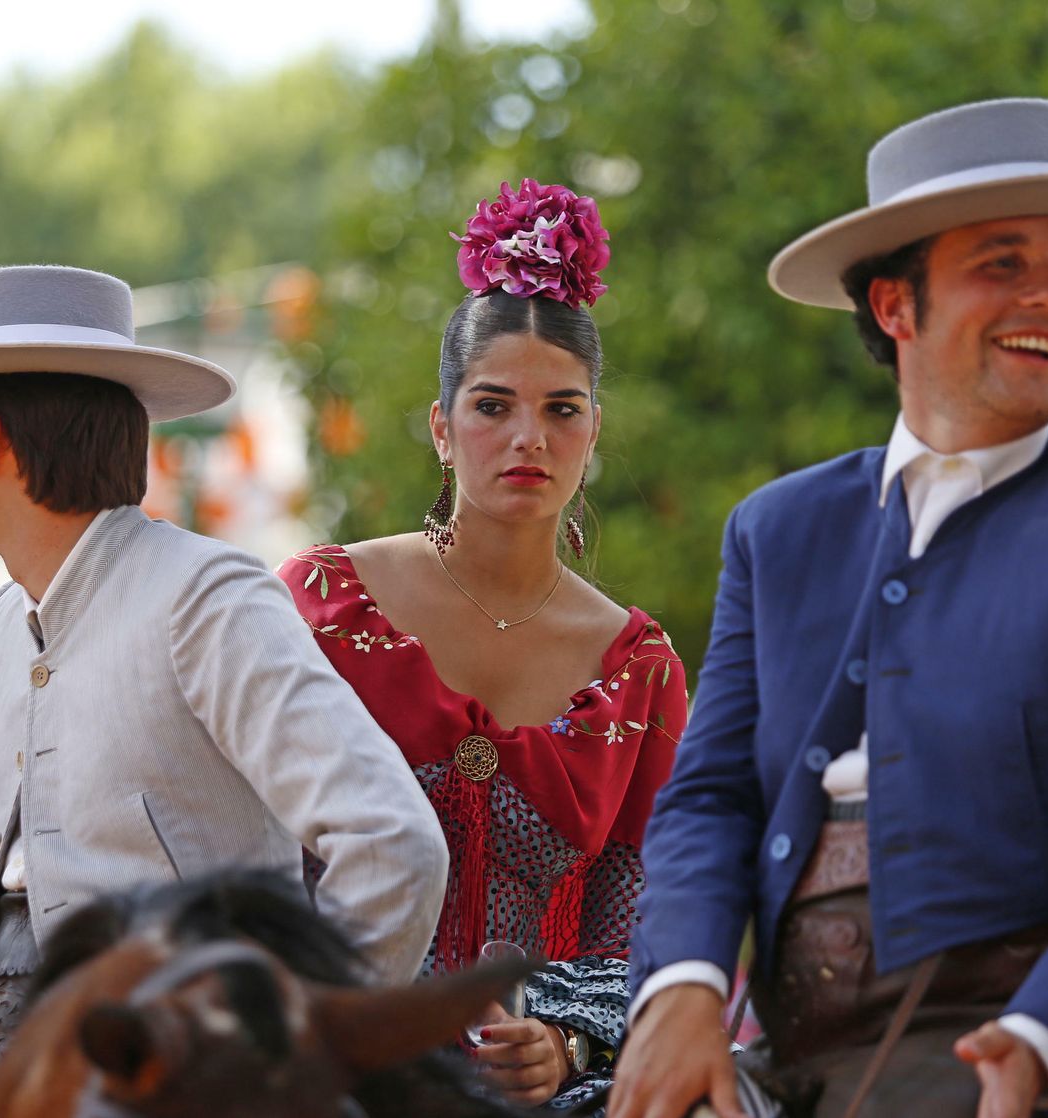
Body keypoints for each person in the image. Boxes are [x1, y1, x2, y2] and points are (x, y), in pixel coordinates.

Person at [610, 98, 1048, 1118]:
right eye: (1001, 263)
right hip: (793, 1055)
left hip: (1038, 1052)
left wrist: (1042, 1040)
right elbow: (709, 799)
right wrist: (684, 984)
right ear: (894, 307)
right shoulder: (777, 529)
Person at [0, 264, 450, 1114]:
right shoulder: (6, 622)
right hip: (17, 1068)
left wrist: (279, 1057)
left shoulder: (205, 595)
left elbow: (393, 843)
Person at [278, 179, 688, 1112]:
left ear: (594, 432)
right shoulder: (321, 605)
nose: (528, 439)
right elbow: (231, 858)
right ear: (441, 427)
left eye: (563, 410)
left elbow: (658, 929)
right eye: (494, 405)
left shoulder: (639, 671)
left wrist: (567, 1041)